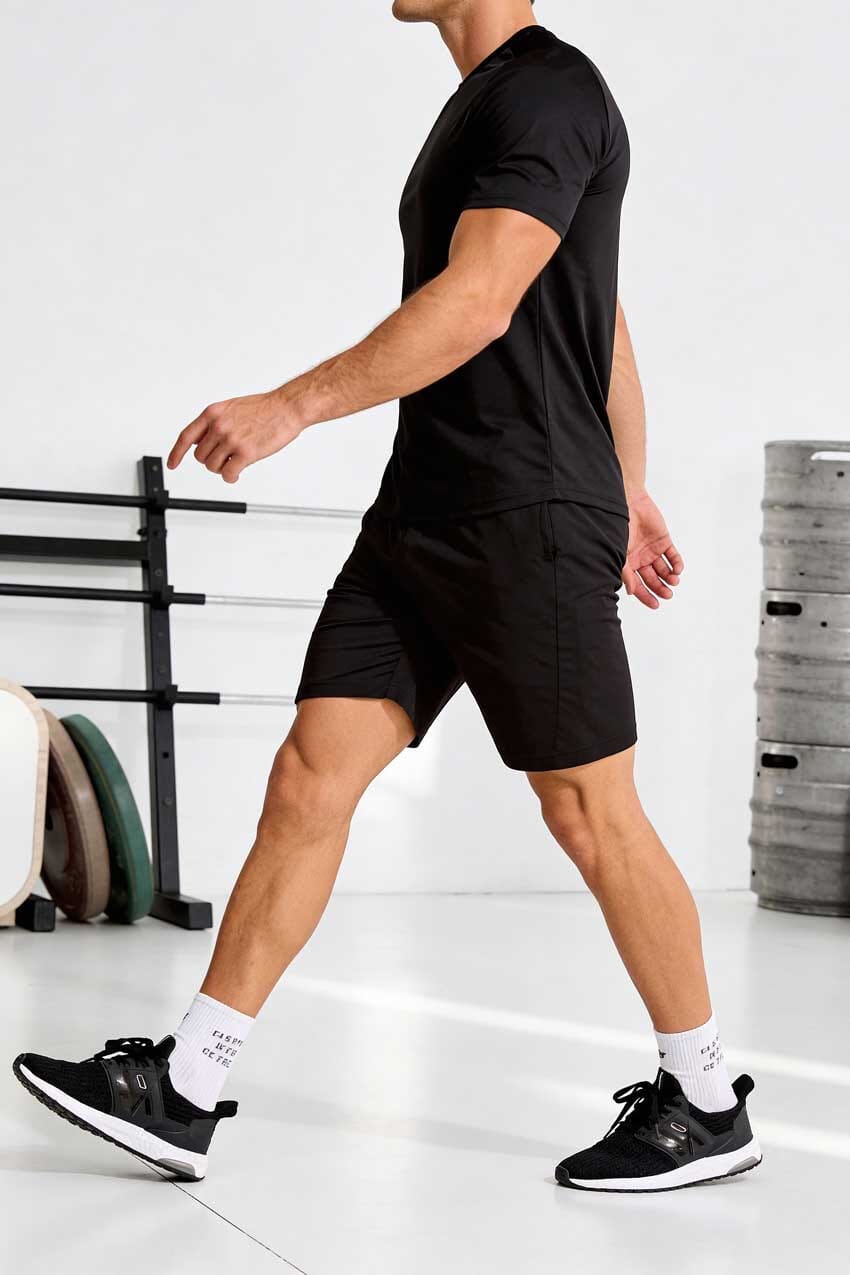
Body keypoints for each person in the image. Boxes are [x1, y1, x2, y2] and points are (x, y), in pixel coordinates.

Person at [14, 0, 760, 1193]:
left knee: (588, 809)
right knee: (310, 777)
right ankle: (188, 1085)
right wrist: (628, 486)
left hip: (522, 513)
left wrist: (293, 405)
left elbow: (482, 301)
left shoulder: (548, 90)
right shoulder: (482, 101)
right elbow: (600, 316)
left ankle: (708, 1099)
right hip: (423, 512)